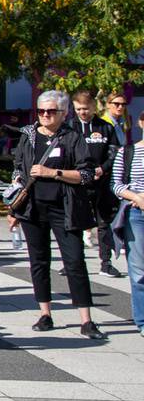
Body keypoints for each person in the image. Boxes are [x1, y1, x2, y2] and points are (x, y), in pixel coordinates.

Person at [9, 90, 102, 338]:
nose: (46, 115)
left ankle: (86, 319)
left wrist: (54, 173)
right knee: (39, 261)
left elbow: (86, 174)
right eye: (41, 111)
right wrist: (15, 200)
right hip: (33, 208)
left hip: (65, 208)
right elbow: (18, 168)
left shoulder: (72, 137)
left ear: (63, 113)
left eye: (51, 111)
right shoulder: (28, 136)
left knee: (74, 261)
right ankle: (45, 313)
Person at [73, 88, 122, 277]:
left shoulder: (105, 127)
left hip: (102, 182)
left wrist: (103, 168)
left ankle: (106, 263)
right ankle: (74, 261)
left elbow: (115, 152)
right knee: (76, 223)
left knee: (104, 224)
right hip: (79, 183)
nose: (82, 113)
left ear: (93, 107)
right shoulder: (70, 127)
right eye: (78, 109)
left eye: (85, 108)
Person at [114, 104, 144, 338]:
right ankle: (142, 320)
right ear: (141, 123)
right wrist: (136, 197)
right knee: (139, 270)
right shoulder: (127, 152)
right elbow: (116, 185)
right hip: (136, 214)